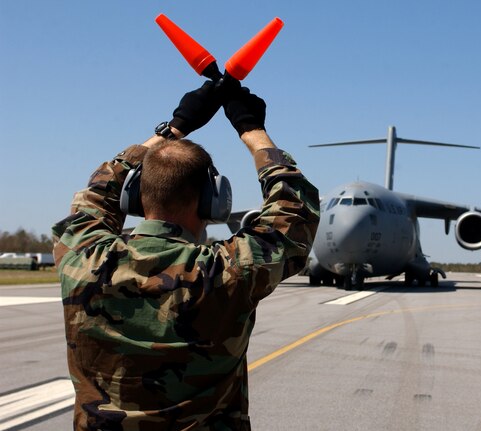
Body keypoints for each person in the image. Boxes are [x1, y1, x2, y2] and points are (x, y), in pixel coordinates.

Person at [52, 79, 320, 430]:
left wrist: (174, 127)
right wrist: (252, 130)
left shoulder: (83, 257)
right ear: (213, 201)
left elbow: (98, 192)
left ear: (133, 196)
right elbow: (294, 210)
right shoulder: (227, 271)